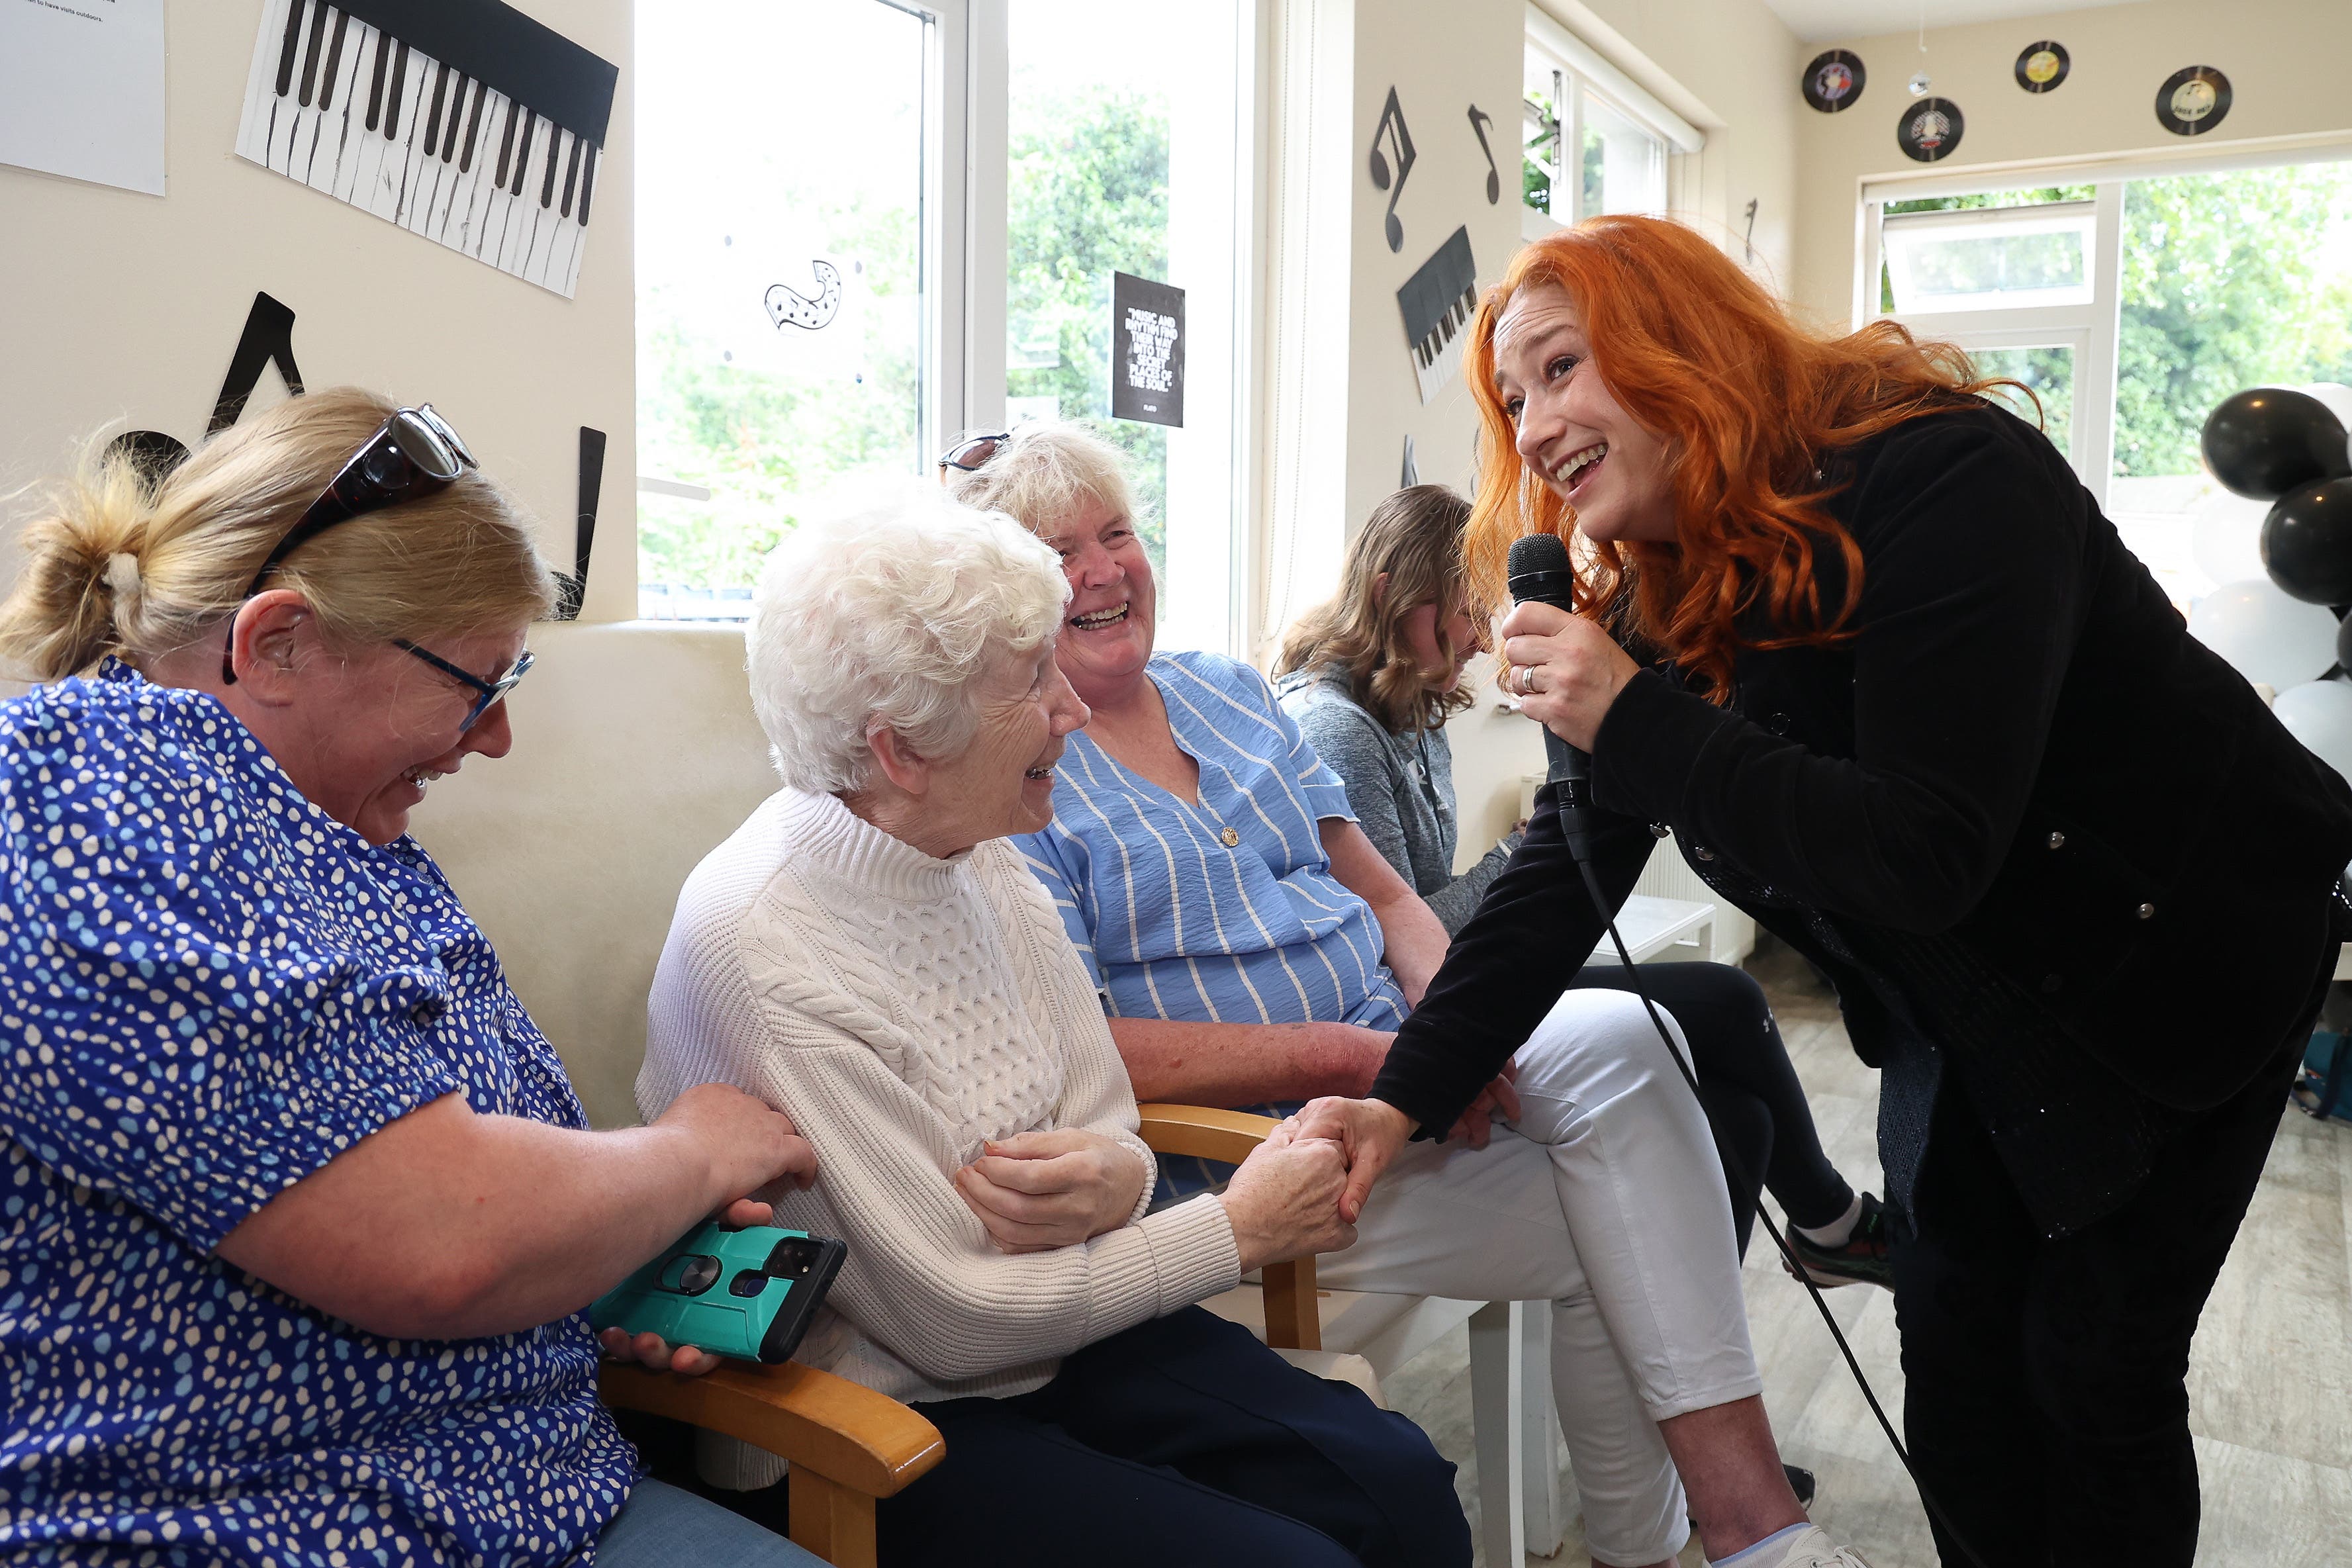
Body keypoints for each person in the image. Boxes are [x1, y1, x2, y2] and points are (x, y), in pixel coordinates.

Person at [1297, 213, 2352, 1568]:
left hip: (2184, 960)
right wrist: (1404, 1090)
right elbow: (1566, 877)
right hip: (1965, 1005)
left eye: (1562, 366)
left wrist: (1630, 718)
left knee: (2093, 1372)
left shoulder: (1949, 479)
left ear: (1684, 344)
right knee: (1960, 1364)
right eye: (1512, 396)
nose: (1536, 418)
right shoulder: (1655, 606)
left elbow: (1924, 845)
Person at [943, 422, 1873, 1568]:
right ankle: (1700, 1535)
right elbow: (1075, 1043)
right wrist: (1351, 1059)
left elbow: (1387, 896)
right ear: (998, 591)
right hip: (1263, 1156)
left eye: (1117, 533)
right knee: (1636, 1175)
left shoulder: (1228, 693)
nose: (1100, 569)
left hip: (1395, 1085)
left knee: (1646, 1041)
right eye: (1057, 549)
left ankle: (1694, 1538)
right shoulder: (1012, 767)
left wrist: (1443, 1035)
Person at [0, 391, 824, 1567]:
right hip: (250, 1525)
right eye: (475, 681)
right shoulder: (87, 803)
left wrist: (606, 1258)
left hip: (526, 1491)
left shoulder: (340, 836)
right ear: (276, 642)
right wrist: (695, 1149)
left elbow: (462, 1188)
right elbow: (439, 1240)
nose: (490, 737)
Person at [635, 491, 1468, 1568]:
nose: (1069, 706)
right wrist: (1236, 1227)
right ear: (898, 750)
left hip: (1066, 1328)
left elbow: (1105, 1116)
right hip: (874, 1411)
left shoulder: (977, 841)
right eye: (1028, 681)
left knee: (1402, 1489)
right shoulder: (765, 954)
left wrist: (1118, 1177)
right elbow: (958, 1317)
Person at [1271, 483, 1885, 1280]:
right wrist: (1519, 851)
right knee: (1729, 1004)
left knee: (1740, 1117)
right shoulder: (1334, 728)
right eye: (1467, 610)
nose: (1483, 642)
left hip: (1448, 974)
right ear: (1394, 595)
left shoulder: (1411, 711)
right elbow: (1405, 924)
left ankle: (1784, 1259)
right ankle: (1827, 1226)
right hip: (1410, 998)